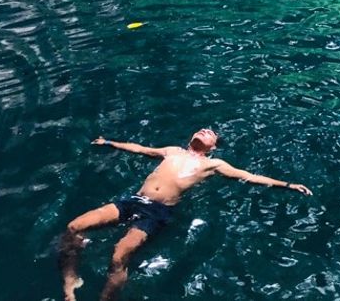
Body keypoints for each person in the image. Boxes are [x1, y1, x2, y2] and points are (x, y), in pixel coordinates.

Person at [60, 129, 311, 301]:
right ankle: (70, 283)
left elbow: (250, 177)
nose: (204, 131)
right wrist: (110, 143)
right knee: (73, 227)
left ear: (213, 147)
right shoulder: (173, 151)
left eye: (210, 133)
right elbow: (140, 149)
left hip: (157, 212)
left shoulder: (213, 165)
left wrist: (287, 184)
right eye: (201, 130)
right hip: (133, 200)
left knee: (119, 254)